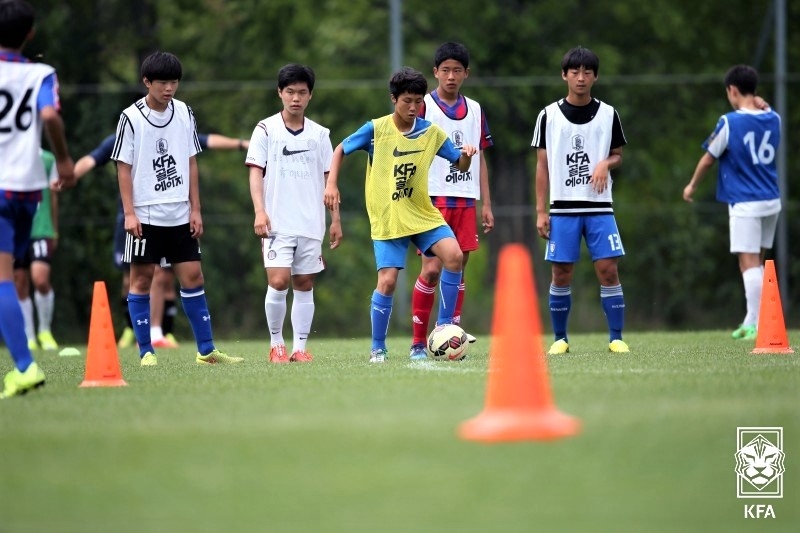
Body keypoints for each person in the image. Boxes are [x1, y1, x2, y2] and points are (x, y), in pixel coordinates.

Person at [324, 67, 477, 363]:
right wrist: (331, 183)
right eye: (407, 100)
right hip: (388, 217)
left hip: (421, 213)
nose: (413, 107)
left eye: (418, 101)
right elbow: (340, 148)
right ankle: (378, 347)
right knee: (388, 281)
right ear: (393, 99)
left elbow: (459, 164)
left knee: (455, 256)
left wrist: (467, 156)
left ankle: (443, 331)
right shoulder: (376, 129)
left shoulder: (430, 132)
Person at [110, 50, 242, 367]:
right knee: (141, 280)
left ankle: (206, 350)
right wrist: (129, 213)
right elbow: (123, 168)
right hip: (145, 215)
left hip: (180, 214)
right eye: (162, 83)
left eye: (173, 82)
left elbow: (191, 160)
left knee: (193, 276)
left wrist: (195, 209)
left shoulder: (184, 112)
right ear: (147, 82)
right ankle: (146, 352)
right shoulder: (131, 117)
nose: (169, 89)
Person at [76, 132, 249, 349]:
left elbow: (206, 141)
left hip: (169, 219)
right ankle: (134, 328)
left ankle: (158, 330)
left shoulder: (175, 129)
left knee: (163, 276)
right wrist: (70, 175)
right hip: (134, 219)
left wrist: (242, 144)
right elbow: (92, 159)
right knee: (131, 279)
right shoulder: (126, 133)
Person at [532, 46, 629, 355]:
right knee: (561, 273)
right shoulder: (547, 116)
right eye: (574, 72)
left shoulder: (609, 114)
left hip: (600, 207)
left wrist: (605, 164)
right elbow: (542, 166)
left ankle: (616, 338)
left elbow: (617, 156)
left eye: (587, 72)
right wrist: (540, 211)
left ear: (595, 77)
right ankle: (560, 339)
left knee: (608, 269)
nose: (581, 78)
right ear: (564, 75)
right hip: (563, 209)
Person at [1, 0, 75, 399]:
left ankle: (25, 366)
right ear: (30, 34)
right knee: (11, 276)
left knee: (4, 281)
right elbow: (49, 116)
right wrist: (63, 159)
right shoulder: (41, 72)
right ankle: (25, 358)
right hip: (28, 190)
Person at [245, 63, 341, 364]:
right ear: (280, 93)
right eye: (290, 92)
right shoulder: (266, 129)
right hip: (277, 222)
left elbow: (330, 181)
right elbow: (255, 173)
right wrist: (260, 212)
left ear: (310, 95)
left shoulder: (320, 134)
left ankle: (300, 348)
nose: (296, 98)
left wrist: (336, 219)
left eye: (302, 92)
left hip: (311, 222)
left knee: (304, 283)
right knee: (278, 281)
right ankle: (277, 346)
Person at [683, 65, 781, 341]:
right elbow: (769, 112)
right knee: (756, 260)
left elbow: (708, 158)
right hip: (771, 200)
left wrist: (691, 185)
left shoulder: (730, 122)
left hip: (745, 201)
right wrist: (765, 104)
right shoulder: (774, 118)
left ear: (732, 90)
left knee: (748, 261)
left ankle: (759, 325)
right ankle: (752, 320)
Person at [409, 42, 494, 360]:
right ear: (435, 73)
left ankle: (450, 331)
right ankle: (419, 342)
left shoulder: (475, 109)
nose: (451, 76)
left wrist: (486, 202)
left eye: (457, 70)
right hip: (432, 200)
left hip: (465, 200)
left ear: (466, 74)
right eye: (445, 70)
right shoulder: (424, 108)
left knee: (458, 266)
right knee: (431, 268)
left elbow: (481, 157)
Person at [15, 149, 60, 351]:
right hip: (15, 230)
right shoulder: (7, 155)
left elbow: (53, 196)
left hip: (41, 228)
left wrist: (54, 229)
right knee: (19, 283)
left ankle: (44, 330)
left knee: (40, 280)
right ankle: (29, 335)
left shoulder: (48, 160)